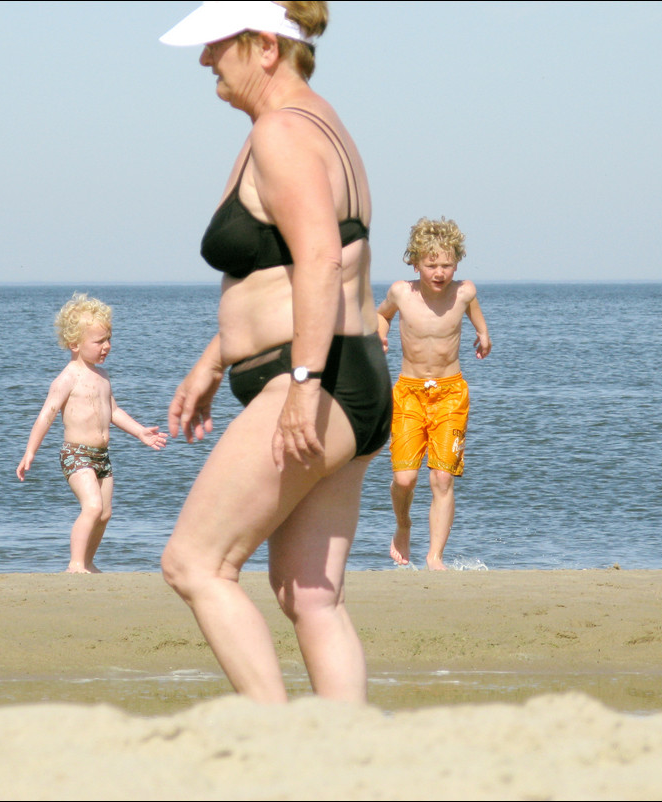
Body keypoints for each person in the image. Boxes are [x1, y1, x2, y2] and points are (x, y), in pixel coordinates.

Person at [158, 1, 391, 704]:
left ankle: (278, 746)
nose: (204, 62)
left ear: (263, 47)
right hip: (352, 377)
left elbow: (320, 260)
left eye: (215, 47)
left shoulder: (282, 134)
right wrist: (215, 359)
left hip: (321, 378)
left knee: (195, 562)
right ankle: (344, 759)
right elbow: (289, 269)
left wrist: (301, 382)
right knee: (307, 592)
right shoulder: (313, 123)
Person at [16, 292, 168, 573]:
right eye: (99, 341)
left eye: (109, 339)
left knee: (105, 513)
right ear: (74, 343)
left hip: (101, 456)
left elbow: (114, 412)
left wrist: (140, 433)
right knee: (93, 507)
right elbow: (46, 415)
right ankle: (74, 564)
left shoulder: (103, 377)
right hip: (76, 454)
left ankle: (88, 562)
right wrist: (30, 452)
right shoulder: (67, 378)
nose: (106, 346)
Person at [376, 217, 491, 571]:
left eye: (446, 265)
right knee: (404, 478)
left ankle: (434, 557)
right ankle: (403, 525)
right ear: (415, 263)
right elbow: (382, 315)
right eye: (431, 265)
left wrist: (483, 335)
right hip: (409, 393)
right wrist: (380, 334)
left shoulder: (465, 291)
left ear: (457, 263)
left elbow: (475, 315)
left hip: (451, 392)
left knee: (441, 477)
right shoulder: (400, 292)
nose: (439, 272)